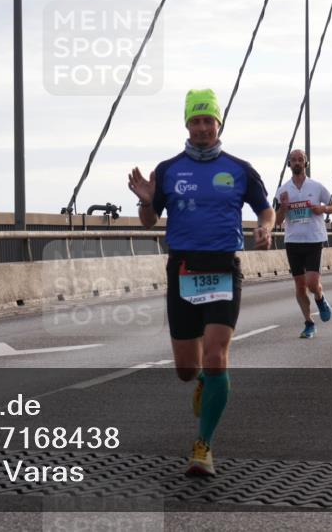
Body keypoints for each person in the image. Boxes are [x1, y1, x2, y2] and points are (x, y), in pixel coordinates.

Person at [128, 88, 274, 478]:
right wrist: (146, 200)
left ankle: (203, 445)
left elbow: (266, 209)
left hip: (224, 269)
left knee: (215, 356)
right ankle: (204, 384)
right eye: (196, 120)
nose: (203, 128)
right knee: (187, 370)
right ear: (187, 125)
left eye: (209, 120)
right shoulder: (170, 169)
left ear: (219, 124)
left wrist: (264, 228)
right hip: (183, 271)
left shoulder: (240, 169)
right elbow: (148, 222)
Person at [275, 149, 332, 338]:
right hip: (293, 241)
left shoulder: (316, 187)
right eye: (293, 160)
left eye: (300, 159)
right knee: (300, 286)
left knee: (311, 283)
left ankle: (320, 297)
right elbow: (277, 221)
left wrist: (323, 208)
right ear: (289, 164)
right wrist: (284, 208)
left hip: (313, 240)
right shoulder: (283, 191)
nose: (297, 163)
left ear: (305, 163)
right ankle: (309, 323)